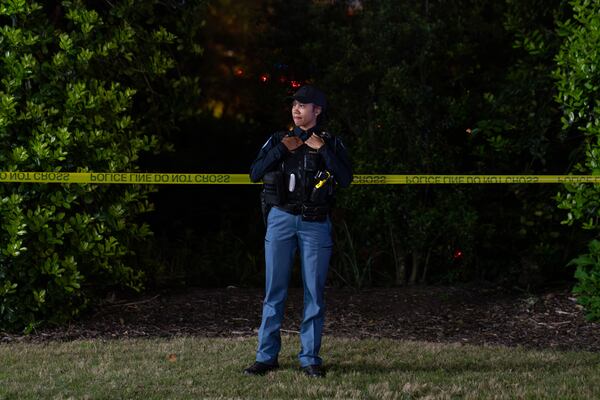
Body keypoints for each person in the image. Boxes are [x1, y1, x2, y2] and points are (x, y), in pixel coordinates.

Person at [244, 85, 352, 378]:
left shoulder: (330, 141)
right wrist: (282, 149)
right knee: (273, 291)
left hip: (315, 224)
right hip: (280, 219)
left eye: (303, 105)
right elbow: (254, 173)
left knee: (314, 294)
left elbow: (345, 179)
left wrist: (324, 150)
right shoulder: (278, 138)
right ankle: (266, 358)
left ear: (317, 110)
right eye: (294, 104)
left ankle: (309, 359)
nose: (296, 108)